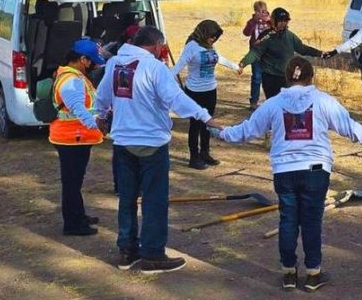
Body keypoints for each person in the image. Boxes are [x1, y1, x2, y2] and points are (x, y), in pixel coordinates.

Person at [216, 57, 362, 291]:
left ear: (286, 77)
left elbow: (247, 130)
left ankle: (288, 273)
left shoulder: (273, 104)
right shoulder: (323, 101)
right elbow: (351, 128)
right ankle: (313, 273)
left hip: (284, 171)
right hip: (315, 170)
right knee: (312, 221)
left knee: (288, 220)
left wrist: (221, 133)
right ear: (311, 77)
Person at [96, 26, 220, 274]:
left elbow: (102, 97)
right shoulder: (155, 68)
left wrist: (100, 116)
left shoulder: (115, 64)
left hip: (122, 141)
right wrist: (205, 117)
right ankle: (152, 254)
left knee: (127, 198)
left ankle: (127, 250)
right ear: (156, 46)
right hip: (151, 142)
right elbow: (177, 99)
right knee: (154, 199)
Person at [49, 38, 108, 236]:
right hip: (71, 137)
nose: (93, 65)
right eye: (92, 61)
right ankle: (73, 224)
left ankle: (78, 216)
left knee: (75, 181)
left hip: (75, 137)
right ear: (82, 59)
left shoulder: (72, 75)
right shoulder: (71, 80)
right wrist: (99, 125)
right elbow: (78, 109)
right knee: (72, 183)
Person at [171, 20, 241, 169]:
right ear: (203, 34)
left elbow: (219, 58)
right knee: (195, 125)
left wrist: (235, 67)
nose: (213, 40)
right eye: (212, 36)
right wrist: (167, 83)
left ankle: (205, 152)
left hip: (211, 90)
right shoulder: (191, 47)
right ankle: (194, 156)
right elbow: (177, 67)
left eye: (215, 37)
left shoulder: (210, 46)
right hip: (195, 92)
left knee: (208, 123)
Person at [239, 7, 323, 100]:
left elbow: (302, 48)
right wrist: (243, 63)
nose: (283, 23)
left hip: (286, 77)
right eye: (280, 21)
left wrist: (320, 53)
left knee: (287, 104)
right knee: (274, 102)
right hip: (270, 77)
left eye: (285, 21)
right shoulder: (267, 36)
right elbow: (255, 52)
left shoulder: (290, 36)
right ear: (274, 21)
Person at [242, 1, 272, 110]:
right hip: (256, 52)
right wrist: (253, 22)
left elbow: (277, 30)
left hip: (268, 53)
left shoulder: (270, 20)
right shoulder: (252, 22)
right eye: (258, 11)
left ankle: (271, 101)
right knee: (256, 77)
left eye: (263, 11)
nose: (261, 14)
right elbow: (246, 33)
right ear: (255, 12)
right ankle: (253, 102)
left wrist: (269, 21)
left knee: (269, 77)